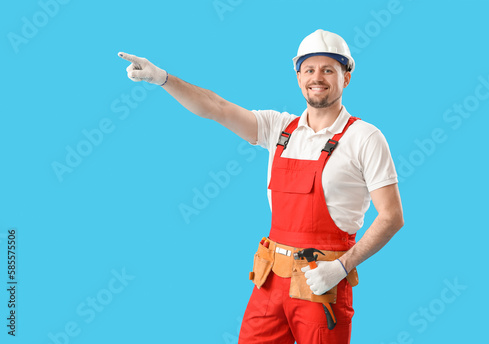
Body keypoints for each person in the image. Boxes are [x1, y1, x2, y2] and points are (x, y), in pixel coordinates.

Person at [118, 29, 404, 344]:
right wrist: (163, 79)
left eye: (328, 70)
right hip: (270, 281)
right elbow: (218, 107)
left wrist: (341, 266)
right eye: (309, 69)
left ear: (346, 77)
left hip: (322, 283)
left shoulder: (365, 138)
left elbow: (391, 216)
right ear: (298, 77)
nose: (316, 77)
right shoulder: (278, 128)